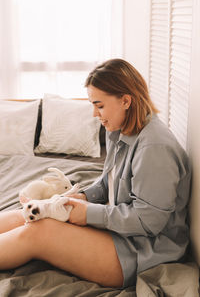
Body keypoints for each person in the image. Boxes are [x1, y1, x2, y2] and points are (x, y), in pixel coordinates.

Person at [0, 59, 191, 288]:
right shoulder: (119, 130)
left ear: (126, 101)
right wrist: (83, 198)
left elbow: (149, 221)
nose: (94, 114)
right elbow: (107, 182)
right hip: (121, 231)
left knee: (39, 231)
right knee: (27, 214)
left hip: (141, 250)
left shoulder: (154, 148)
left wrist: (88, 214)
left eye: (99, 106)